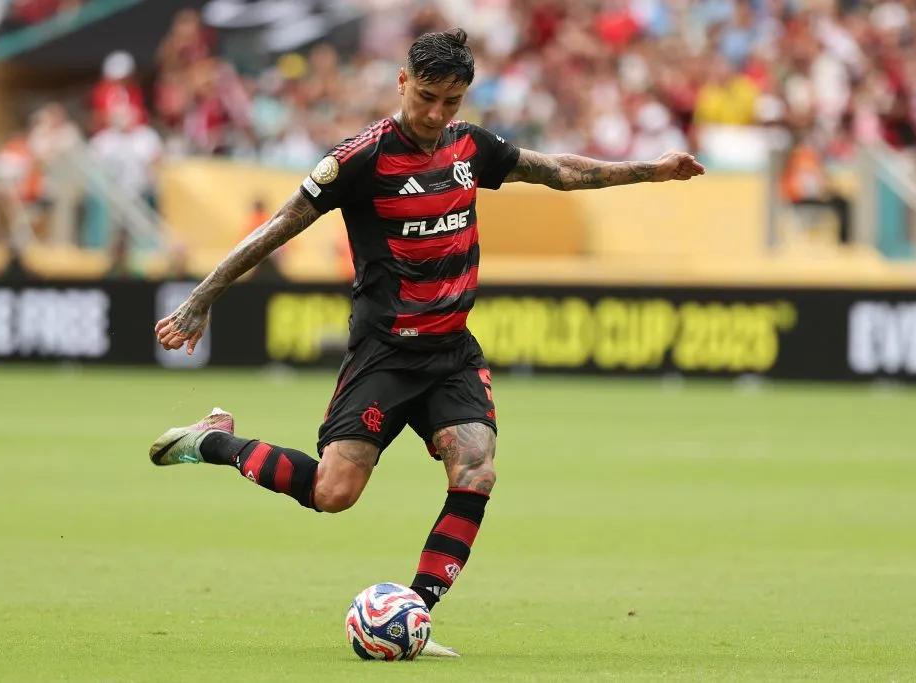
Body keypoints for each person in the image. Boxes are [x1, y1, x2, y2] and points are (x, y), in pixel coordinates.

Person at [150, 28, 704, 657]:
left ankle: (412, 615)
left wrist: (651, 171)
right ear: (402, 82)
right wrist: (201, 298)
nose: (438, 114)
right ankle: (214, 440)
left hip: (451, 353)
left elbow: (559, 171)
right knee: (333, 494)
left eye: (452, 101)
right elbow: (278, 227)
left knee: (476, 469)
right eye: (427, 97)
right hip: (385, 354)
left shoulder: (471, 148)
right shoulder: (359, 160)